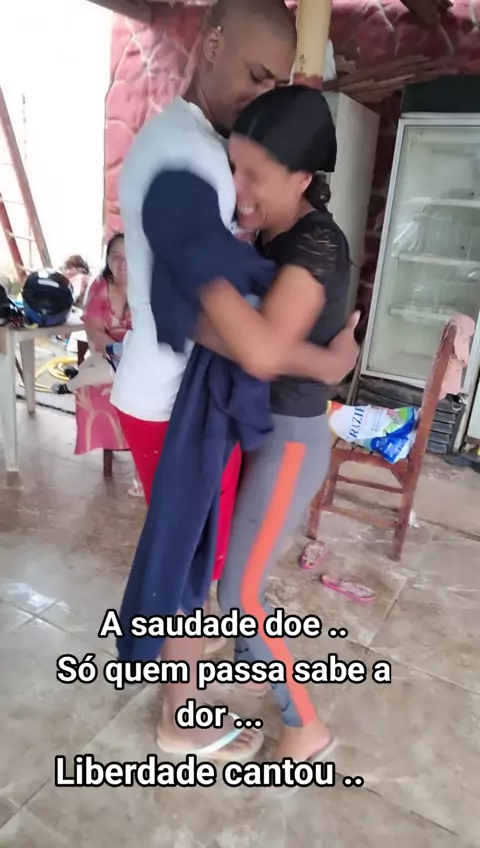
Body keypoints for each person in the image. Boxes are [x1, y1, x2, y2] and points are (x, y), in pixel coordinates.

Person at [117, 81, 359, 776]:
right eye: (234, 168)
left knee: (241, 594)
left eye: (257, 175)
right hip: (256, 429)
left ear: (303, 179)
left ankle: (306, 724)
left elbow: (260, 350)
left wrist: (185, 297)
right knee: (232, 578)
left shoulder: (317, 245)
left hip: (289, 442)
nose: (239, 190)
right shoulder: (271, 234)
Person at [111, 0, 356, 583]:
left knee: (205, 572)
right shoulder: (191, 155)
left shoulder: (204, 142)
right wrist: (326, 363)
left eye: (274, 83)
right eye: (255, 75)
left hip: (194, 402)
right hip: (169, 400)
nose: (261, 95)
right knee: (199, 575)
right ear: (213, 44)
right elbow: (222, 325)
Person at [53, 234, 130, 395]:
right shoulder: (100, 288)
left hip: (136, 354)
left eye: (129, 256)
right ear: (107, 259)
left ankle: (76, 376)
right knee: (108, 368)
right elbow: (94, 331)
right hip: (112, 353)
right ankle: (68, 386)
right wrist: (121, 353)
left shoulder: (149, 287)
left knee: (104, 367)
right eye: (116, 256)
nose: (123, 263)